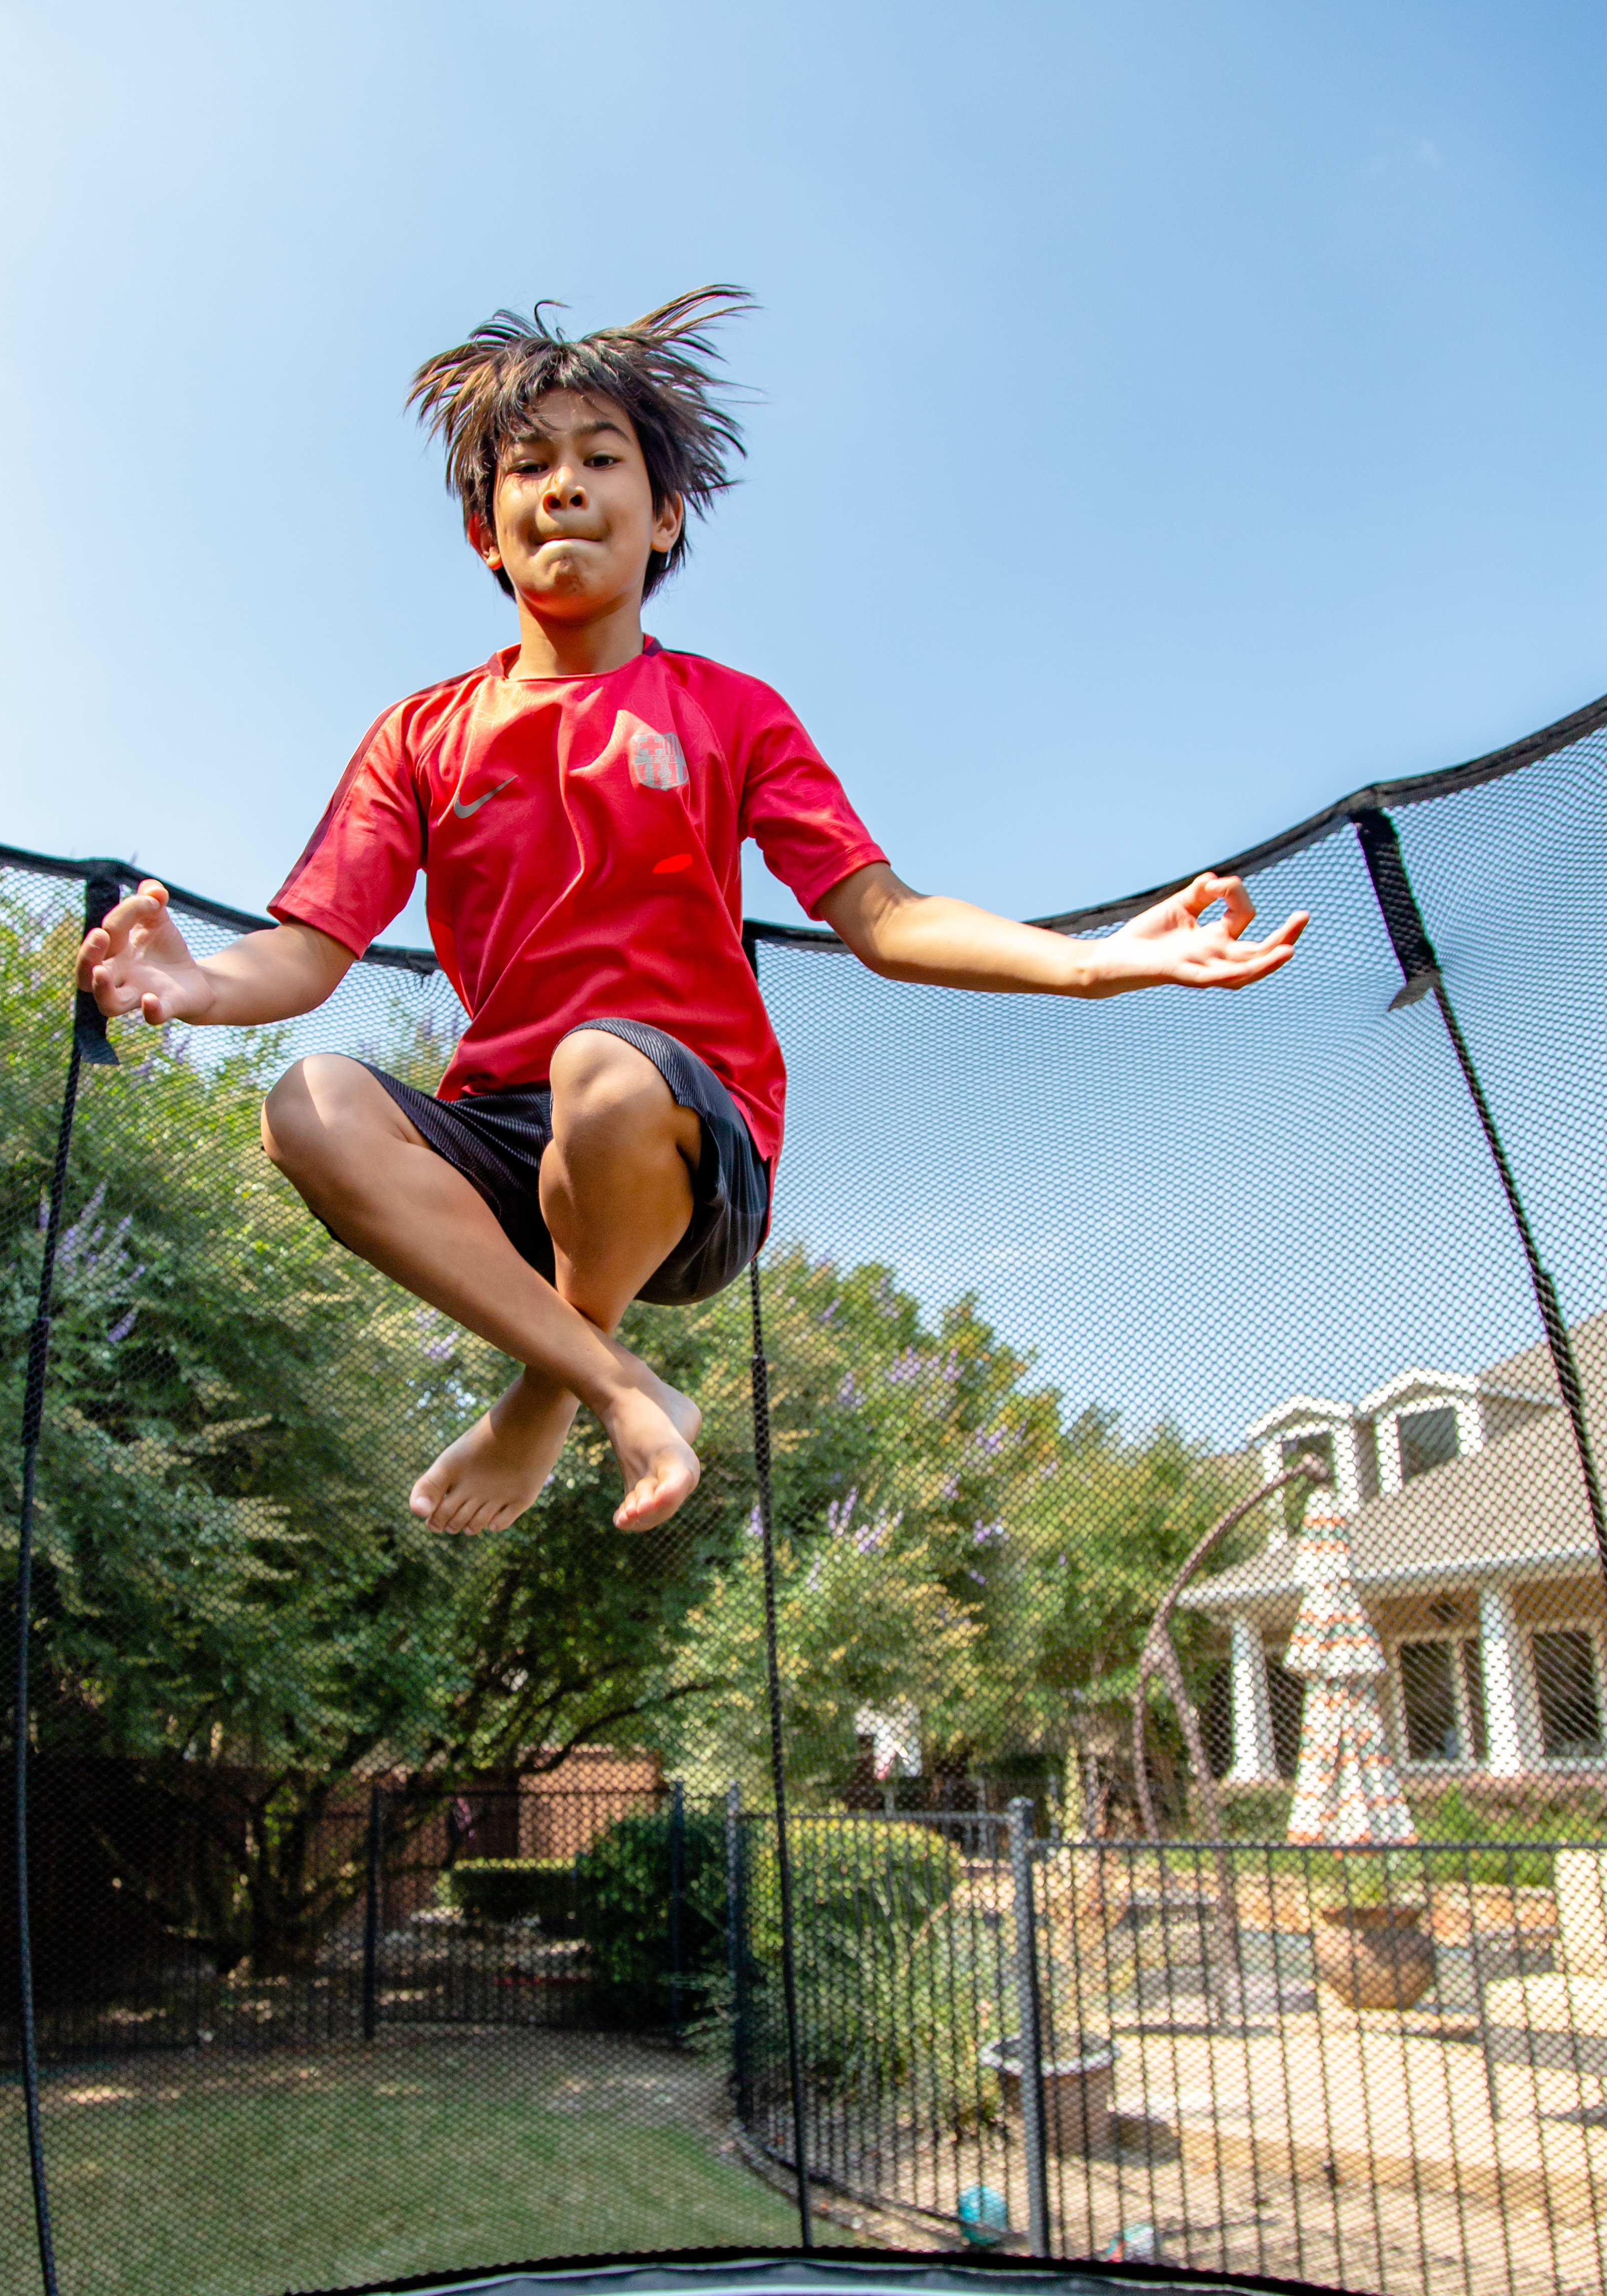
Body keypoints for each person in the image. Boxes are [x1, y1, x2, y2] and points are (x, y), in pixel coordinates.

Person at [80, 288, 1305, 1541]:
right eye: (530, 466)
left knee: (602, 1067)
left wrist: (1095, 962)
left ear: (664, 514)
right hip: (510, 1145)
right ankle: (609, 1378)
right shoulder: (421, 735)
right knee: (309, 1104)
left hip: (684, 1142)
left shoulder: (731, 713)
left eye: (601, 459)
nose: (564, 486)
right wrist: (198, 984)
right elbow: (310, 947)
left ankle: (554, 1390)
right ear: (483, 534)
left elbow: (884, 917)